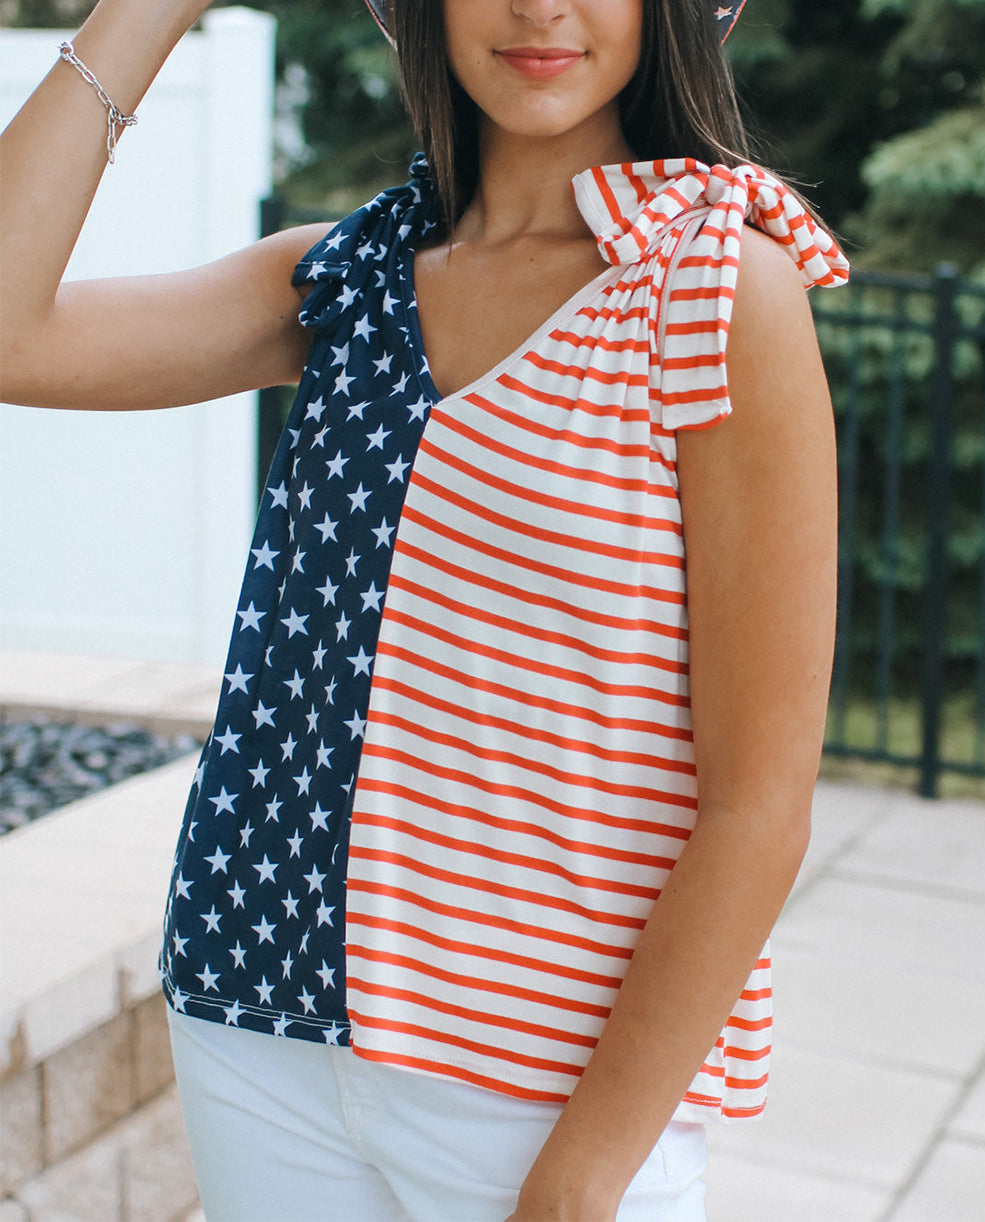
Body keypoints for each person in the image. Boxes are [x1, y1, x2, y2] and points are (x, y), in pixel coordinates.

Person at [0, 0, 849, 1217]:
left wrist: (583, 1175)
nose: (540, 7)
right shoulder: (345, 281)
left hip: (542, 1085)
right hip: (260, 1024)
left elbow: (759, 800)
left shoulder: (713, 289)